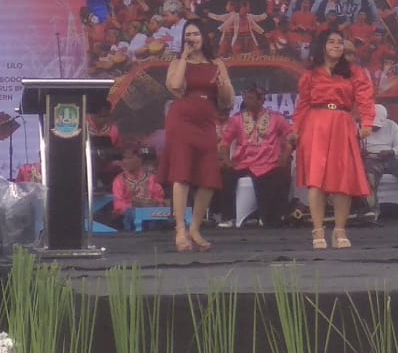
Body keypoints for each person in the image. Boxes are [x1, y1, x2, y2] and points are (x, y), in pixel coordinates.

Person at [288, 28, 375, 249]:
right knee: (316, 180)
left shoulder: (353, 72)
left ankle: (340, 230)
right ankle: (318, 231)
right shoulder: (310, 74)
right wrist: (296, 129)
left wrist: (367, 122)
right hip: (315, 125)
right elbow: (303, 105)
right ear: (322, 46)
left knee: (342, 179)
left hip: (342, 124)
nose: (336, 45)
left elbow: (365, 98)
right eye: (331, 41)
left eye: (339, 42)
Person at [160, 18, 234, 252]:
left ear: (204, 37)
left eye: (195, 34)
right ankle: (180, 229)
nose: (191, 38)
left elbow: (228, 100)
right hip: (182, 119)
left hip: (206, 120)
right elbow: (175, 86)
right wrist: (184, 57)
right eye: (188, 35)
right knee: (181, 174)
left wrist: (222, 85)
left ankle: (195, 228)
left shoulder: (216, 63)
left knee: (208, 177)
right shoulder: (177, 62)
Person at [217, 84, 293, 228]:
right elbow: (225, 142)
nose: (246, 101)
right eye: (245, 98)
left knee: (281, 176)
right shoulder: (237, 120)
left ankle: (272, 217)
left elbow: (291, 137)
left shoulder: (276, 118)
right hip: (243, 163)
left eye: (250, 98)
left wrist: (284, 157)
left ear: (261, 100)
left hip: (269, 163)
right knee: (225, 175)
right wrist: (227, 160)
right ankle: (228, 217)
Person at [362, 105, 398, 220]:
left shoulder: (392, 126)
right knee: (370, 175)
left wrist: (391, 152)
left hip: (390, 158)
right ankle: (372, 210)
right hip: (370, 159)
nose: (375, 128)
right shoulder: (360, 126)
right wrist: (362, 153)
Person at [110, 147, 166, 230]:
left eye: (128, 158)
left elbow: (160, 198)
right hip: (128, 221)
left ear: (139, 159)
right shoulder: (119, 180)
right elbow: (118, 205)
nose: (124, 161)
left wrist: (155, 203)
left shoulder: (152, 178)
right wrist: (136, 206)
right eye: (123, 158)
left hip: (152, 218)